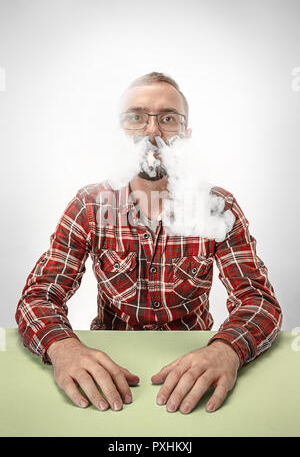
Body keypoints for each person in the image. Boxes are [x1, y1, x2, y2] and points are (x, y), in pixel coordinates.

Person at [15, 72, 282, 415]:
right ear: (119, 133)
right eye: (137, 117)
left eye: (168, 119)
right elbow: (39, 296)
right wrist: (63, 347)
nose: (152, 131)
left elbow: (258, 301)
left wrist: (226, 350)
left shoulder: (219, 206)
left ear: (186, 135)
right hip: (110, 376)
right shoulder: (89, 205)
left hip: (197, 370)